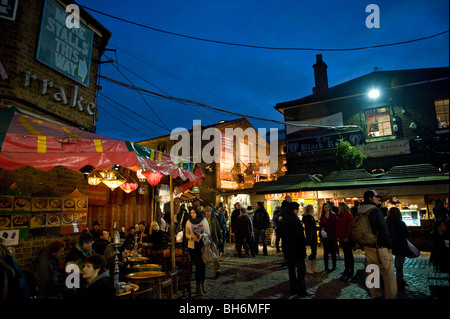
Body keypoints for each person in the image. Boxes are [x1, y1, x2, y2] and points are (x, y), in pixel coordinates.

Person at [358, 190, 397, 299]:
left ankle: (374, 294)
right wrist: (389, 245)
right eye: (377, 197)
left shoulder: (360, 211)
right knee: (388, 274)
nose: (379, 199)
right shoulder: (375, 211)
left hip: (368, 246)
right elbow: (383, 230)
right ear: (370, 198)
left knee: (372, 271)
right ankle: (390, 296)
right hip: (380, 246)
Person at [282, 202, 308, 297]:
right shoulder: (295, 220)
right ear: (295, 210)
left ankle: (293, 288)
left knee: (292, 270)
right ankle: (301, 290)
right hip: (297, 250)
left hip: (289, 250)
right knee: (301, 270)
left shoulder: (285, 219)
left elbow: (284, 236)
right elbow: (299, 237)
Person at [184, 208, 210, 296]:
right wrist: (192, 237)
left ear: (197, 213)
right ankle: (198, 287)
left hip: (202, 245)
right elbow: (186, 234)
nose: (192, 214)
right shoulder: (188, 222)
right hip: (193, 247)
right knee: (198, 266)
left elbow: (208, 233)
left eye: (193, 212)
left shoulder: (203, 220)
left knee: (203, 266)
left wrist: (201, 235)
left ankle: (203, 285)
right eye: (191, 213)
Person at [386, 206, 410, 289]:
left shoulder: (387, 223)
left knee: (389, 264)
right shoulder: (401, 223)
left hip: (390, 245)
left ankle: (390, 280)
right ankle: (399, 280)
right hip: (400, 245)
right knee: (399, 264)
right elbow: (407, 234)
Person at [336, 202, 354, 278]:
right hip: (342, 237)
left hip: (347, 238)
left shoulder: (348, 215)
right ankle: (347, 269)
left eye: (339, 206)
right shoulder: (340, 215)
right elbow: (338, 226)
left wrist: (347, 236)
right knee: (346, 254)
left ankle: (351, 270)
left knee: (349, 254)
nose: (338, 207)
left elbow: (349, 227)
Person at [205, 206, 223, 277]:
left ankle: (217, 269)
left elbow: (217, 227)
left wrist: (220, 237)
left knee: (215, 253)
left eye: (209, 211)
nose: (208, 213)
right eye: (207, 211)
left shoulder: (214, 218)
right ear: (205, 212)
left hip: (213, 238)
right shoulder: (203, 219)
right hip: (205, 238)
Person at [302, 204, 320, 274]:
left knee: (314, 251)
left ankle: (313, 267)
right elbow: (311, 228)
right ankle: (308, 267)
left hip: (310, 236)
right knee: (313, 252)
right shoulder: (310, 217)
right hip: (312, 236)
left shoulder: (305, 217)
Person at [319, 202, 337, 271]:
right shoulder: (322, 216)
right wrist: (322, 228)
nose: (326, 209)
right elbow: (321, 224)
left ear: (330, 208)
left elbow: (336, 224)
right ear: (323, 208)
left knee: (333, 251)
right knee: (325, 251)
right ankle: (326, 266)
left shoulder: (333, 215)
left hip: (332, 235)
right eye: (325, 207)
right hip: (325, 236)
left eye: (327, 207)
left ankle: (334, 266)